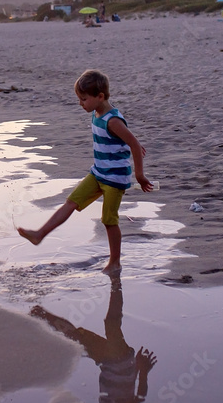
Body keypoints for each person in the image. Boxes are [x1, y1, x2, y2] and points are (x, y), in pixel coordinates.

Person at [18, 69, 152, 275]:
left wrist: (140, 175)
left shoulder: (113, 120)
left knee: (109, 220)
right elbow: (131, 142)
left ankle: (115, 262)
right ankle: (39, 234)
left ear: (100, 97)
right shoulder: (97, 113)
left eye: (83, 99)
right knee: (71, 202)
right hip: (98, 173)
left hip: (115, 178)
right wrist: (131, 143)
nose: (81, 103)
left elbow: (133, 143)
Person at [30, 274, 156, 403]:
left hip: (108, 361)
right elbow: (138, 399)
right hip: (118, 361)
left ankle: (43, 314)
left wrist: (138, 369)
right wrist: (142, 370)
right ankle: (115, 283)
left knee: (79, 336)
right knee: (110, 325)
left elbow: (131, 396)